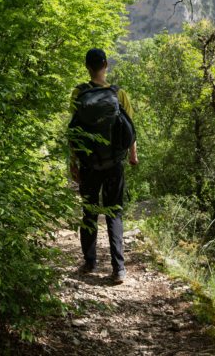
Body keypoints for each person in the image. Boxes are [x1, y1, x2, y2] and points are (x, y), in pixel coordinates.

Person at [69, 48, 138, 284]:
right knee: (114, 212)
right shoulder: (119, 94)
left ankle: (89, 263)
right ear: (106, 64)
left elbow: (74, 132)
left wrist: (73, 162)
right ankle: (118, 268)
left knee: (89, 211)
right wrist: (132, 156)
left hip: (88, 164)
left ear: (87, 66)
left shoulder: (78, 93)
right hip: (113, 164)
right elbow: (130, 130)